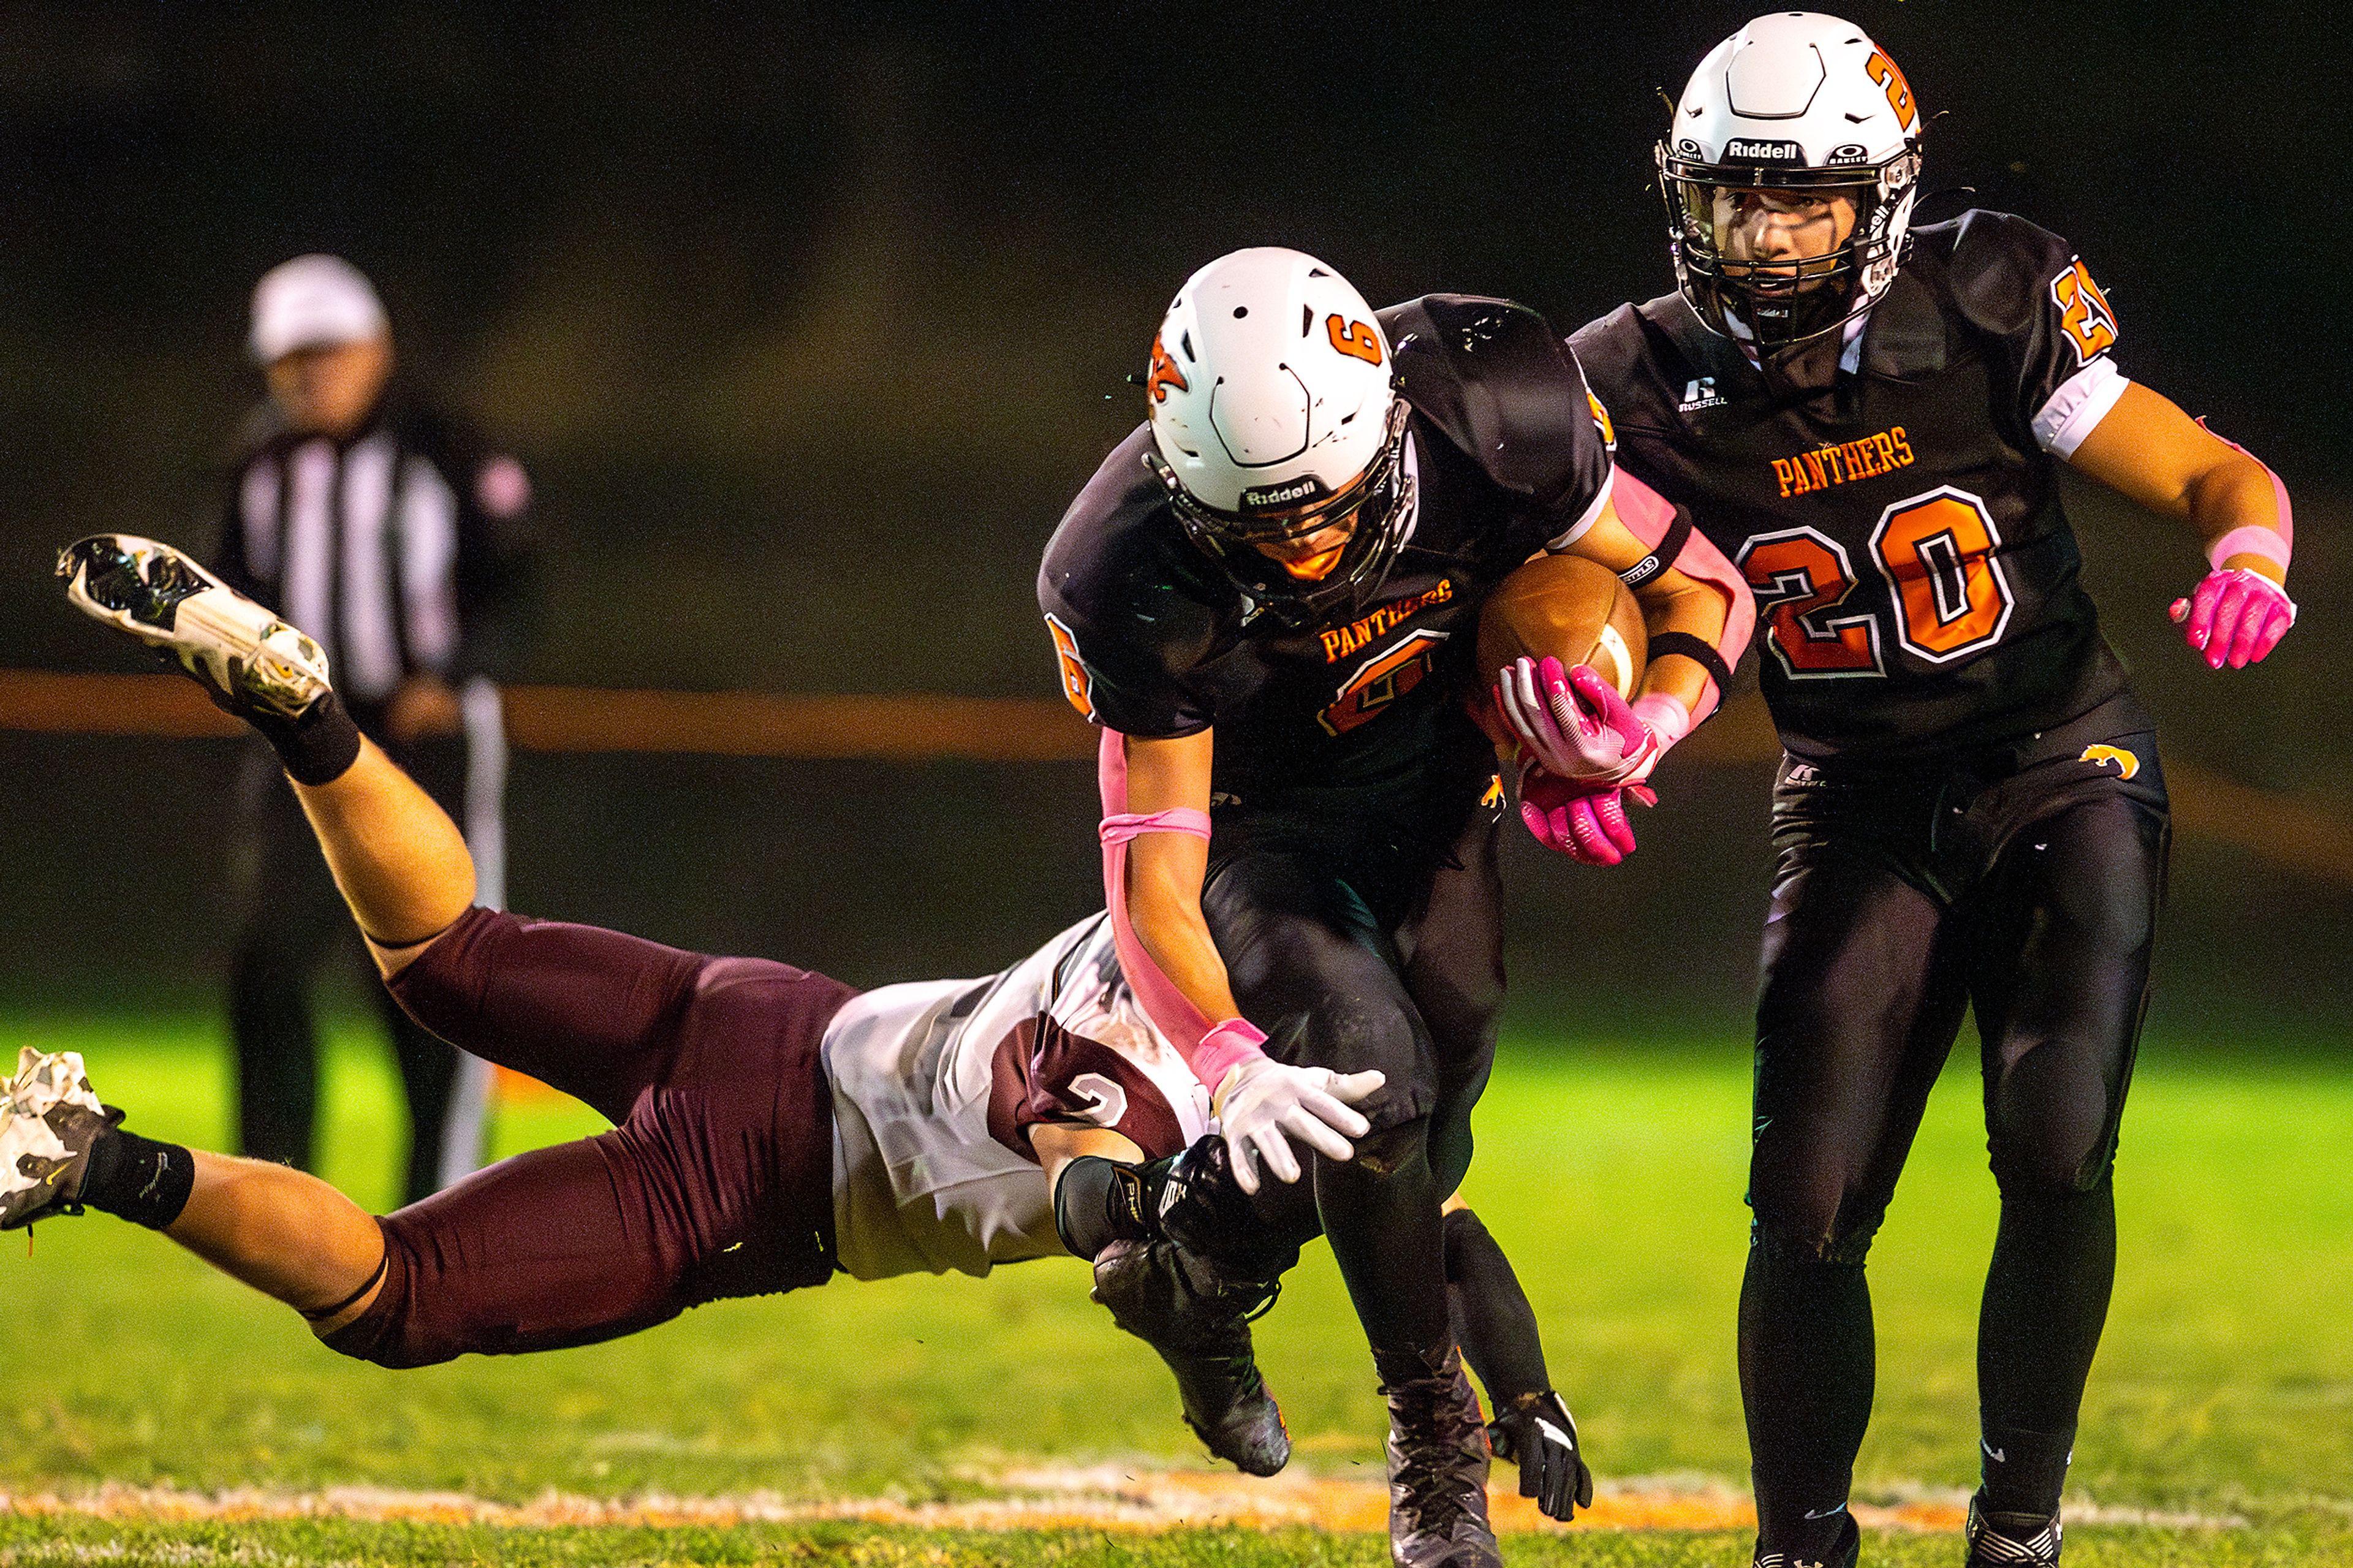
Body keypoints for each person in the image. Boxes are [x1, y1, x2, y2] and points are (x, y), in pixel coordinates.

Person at [34, 534, 1584, 1512]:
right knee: (400, 1289)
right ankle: (91, 1155)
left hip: (766, 1016)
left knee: (444, 948)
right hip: (764, 1171)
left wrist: (1522, 1393)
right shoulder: (1187, 1075)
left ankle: (311, 721)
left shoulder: (1204, 945)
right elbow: (1083, 1162)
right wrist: (1175, 1219)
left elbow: (1430, 1226)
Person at [1550, 15, 2300, 1566]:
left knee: (2052, 1130)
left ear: (1880, 200)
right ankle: (1801, 1543)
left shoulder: (1982, 300)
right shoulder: (1625, 378)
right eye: (1735, 198)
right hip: (1857, 798)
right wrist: (1574, 708)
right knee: (1808, 1194)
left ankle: (2016, 1522)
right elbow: (1563, 578)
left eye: (1805, 202)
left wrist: (2251, 555)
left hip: (2055, 762)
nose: (1763, 237)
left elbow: (2219, 472)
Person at [1039, 247, 1751, 1567]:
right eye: (1261, 525)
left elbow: (1708, 584)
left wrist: (1638, 730)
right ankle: (1434, 1443)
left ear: (1382, 432)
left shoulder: (1496, 412)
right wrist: (1224, 1056)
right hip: (1270, 840)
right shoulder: (1126, 568)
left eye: (1322, 508)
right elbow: (1154, 880)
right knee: (1365, 1080)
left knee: (1419, 1147)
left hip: (1441, 809)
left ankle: (1188, 1255)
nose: (1305, 549)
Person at [209, 254, 534, 1204]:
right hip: (297, 739)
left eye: (329, 351)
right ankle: (273, 1194)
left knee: (437, 969)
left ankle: (445, 1200)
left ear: (376, 348)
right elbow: (226, 593)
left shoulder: (445, 445)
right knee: (264, 957)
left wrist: (459, 673)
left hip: (423, 738)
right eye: (292, 356)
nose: (312, 374)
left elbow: (516, 585)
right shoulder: (258, 461)